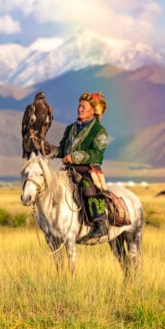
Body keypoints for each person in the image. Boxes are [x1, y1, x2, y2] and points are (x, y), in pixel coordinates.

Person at [54, 91, 109, 244]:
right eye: (79, 106)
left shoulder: (99, 131)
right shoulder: (70, 128)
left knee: (87, 187)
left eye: (83, 107)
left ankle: (100, 223)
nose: (80, 109)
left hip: (88, 170)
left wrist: (74, 157)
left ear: (93, 109)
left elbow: (97, 154)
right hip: (68, 170)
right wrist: (47, 149)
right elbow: (62, 149)